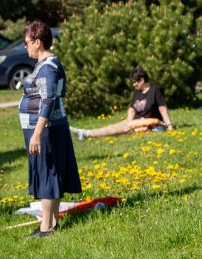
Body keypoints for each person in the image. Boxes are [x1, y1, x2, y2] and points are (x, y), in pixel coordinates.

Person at [19, 20, 82, 238]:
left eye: (27, 42)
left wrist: (37, 133)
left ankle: (46, 226)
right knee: (50, 172)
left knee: (47, 172)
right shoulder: (46, 65)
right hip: (45, 127)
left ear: (38, 42)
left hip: (45, 129)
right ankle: (51, 221)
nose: (25, 46)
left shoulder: (48, 67)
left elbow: (47, 101)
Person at [70, 66, 174, 140]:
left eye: (135, 82)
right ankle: (87, 133)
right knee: (115, 128)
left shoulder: (155, 90)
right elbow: (132, 109)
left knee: (117, 130)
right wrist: (129, 122)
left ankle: (86, 134)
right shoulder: (137, 92)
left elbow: (162, 108)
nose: (133, 85)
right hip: (135, 123)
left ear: (142, 80)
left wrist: (169, 126)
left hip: (151, 124)